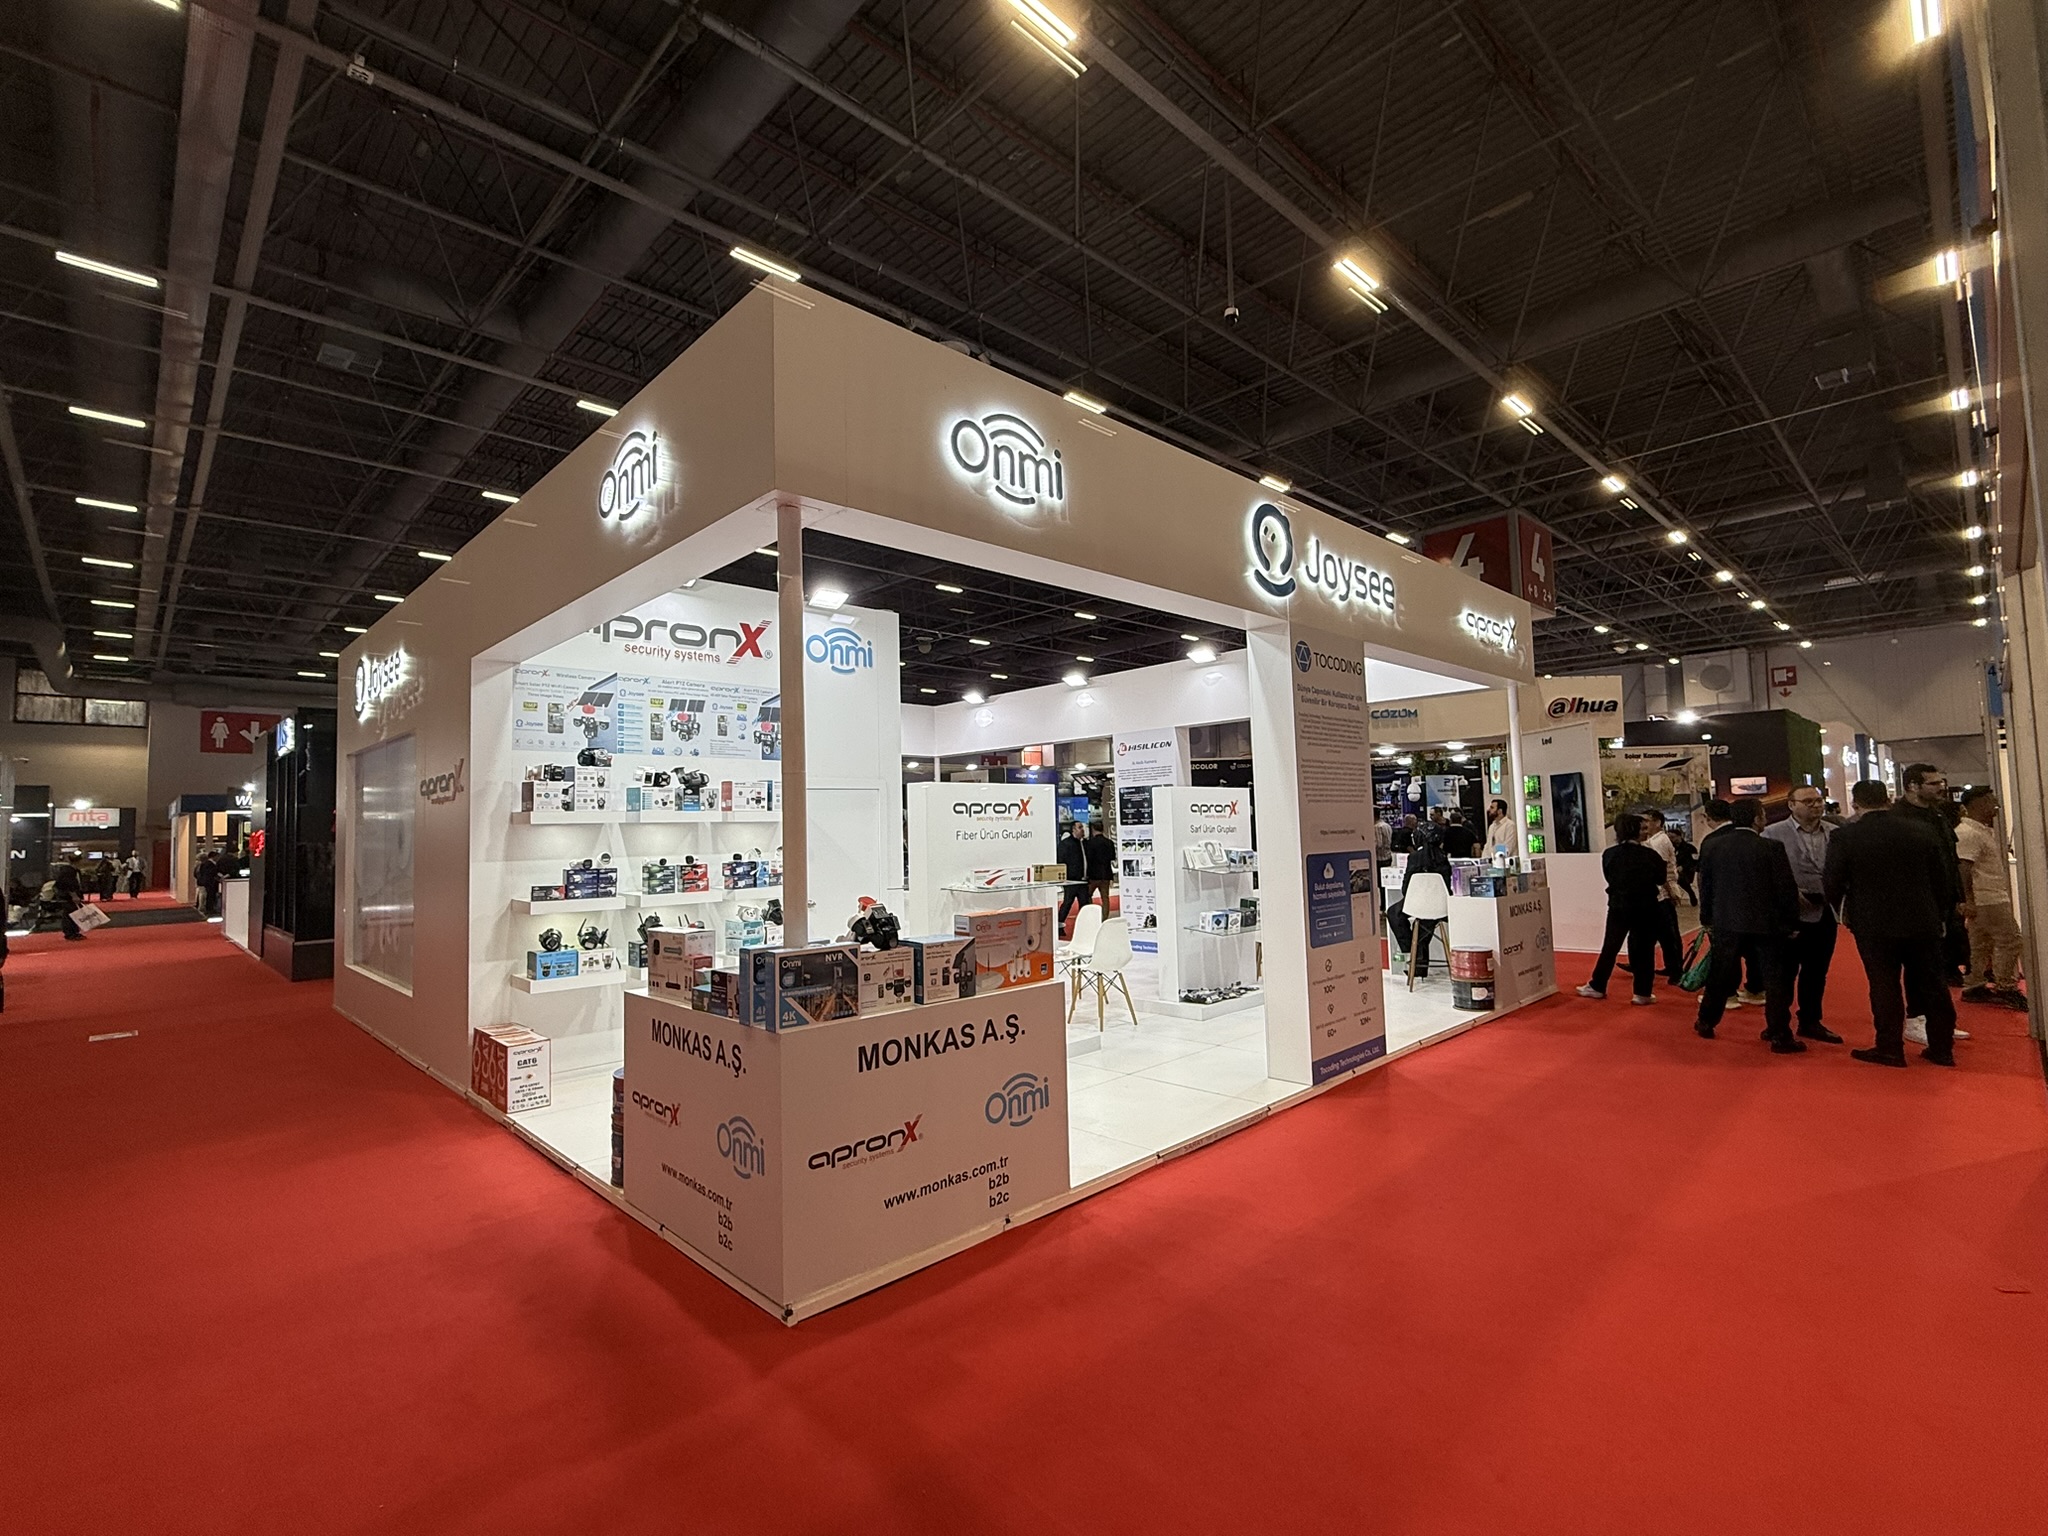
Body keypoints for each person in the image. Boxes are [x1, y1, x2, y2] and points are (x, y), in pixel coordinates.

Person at [1825, 779, 1960, 1067]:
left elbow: (1832, 881)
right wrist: (1939, 914)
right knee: (1933, 984)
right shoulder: (1922, 830)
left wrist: (1843, 911)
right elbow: (1942, 878)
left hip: (1873, 922)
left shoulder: (1845, 836)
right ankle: (1942, 1048)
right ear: (1887, 799)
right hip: (1922, 919)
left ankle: (1889, 1047)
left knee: (1884, 984)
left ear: (1856, 803)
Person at [1692, 798, 1801, 1049]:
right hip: (1767, 924)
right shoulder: (1771, 847)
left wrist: (1707, 918)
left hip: (1726, 921)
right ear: (1756, 818)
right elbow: (1785, 889)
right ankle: (1779, 1034)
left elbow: (1705, 886)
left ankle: (1706, 1021)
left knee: (1719, 975)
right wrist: (1791, 922)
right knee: (1775, 981)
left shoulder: (1713, 846)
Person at [1892, 763, 1972, 1042]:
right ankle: (1917, 1018)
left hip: (1943, 902)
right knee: (1918, 965)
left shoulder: (1937, 815)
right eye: (1933, 783)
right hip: (1915, 905)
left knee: (1938, 965)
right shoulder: (1898, 819)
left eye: (1941, 782)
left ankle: (1938, 1022)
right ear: (1913, 786)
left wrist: (1958, 897)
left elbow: (1950, 860)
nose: (1940, 788)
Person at [1761, 784, 1844, 1043]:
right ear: (1791, 805)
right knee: (1783, 975)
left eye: (1818, 801)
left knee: (1817, 972)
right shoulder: (1772, 833)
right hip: (1788, 915)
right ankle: (1777, 1026)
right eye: (1808, 802)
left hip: (1825, 913)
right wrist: (1789, 895)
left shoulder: (1835, 832)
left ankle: (1810, 1021)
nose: (1815, 806)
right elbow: (1765, 875)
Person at [1577, 812, 1669, 1004]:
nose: (1646, 832)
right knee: (1644, 949)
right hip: (1647, 906)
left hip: (1619, 905)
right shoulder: (1650, 855)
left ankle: (1597, 985)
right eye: (1642, 829)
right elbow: (1661, 879)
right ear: (1634, 831)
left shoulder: (1610, 854)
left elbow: (1609, 877)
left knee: (1610, 947)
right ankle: (1642, 993)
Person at [1955, 786, 2025, 1008]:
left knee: (1981, 944)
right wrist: (1968, 899)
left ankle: (1975, 985)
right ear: (1979, 803)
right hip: (1988, 898)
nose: (1996, 805)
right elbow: (1964, 868)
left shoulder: (1978, 831)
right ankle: (2006, 986)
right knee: (2010, 939)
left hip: (1985, 897)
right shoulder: (1969, 833)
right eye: (1992, 801)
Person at [1398, 821, 1454, 977]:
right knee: (1426, 922)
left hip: (1417, 903)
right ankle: (1418, 959)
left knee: (1395, 913)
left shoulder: (1414, 858)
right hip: (1442, 905)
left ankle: (1411, 951)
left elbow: (1405, 888)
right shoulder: (1443, 858)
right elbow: (1447, 886)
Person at [1637, 810, 1685, 984]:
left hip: (1663, 893)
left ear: (1657, 822)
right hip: (1658, 893)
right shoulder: (1652, 841)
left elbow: (1661, 870)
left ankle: (1676, 969)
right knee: (1664, 934)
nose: (1644, 825)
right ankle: (1671, 966)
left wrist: (1670, 893)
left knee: (1669, 934)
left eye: (1647, 821)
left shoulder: (1660, 842)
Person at [1055, 820, 1087, 930]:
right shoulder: (1066, 844)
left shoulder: (1084, 843)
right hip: (1071, 880)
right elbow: (1060, 860)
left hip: (1083, 880)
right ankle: (1059, 926)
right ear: (1073, 829)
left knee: (1085, 904)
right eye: (1080, 827)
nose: (1082, 830)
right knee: (1068, 903)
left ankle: (1084, 926)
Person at [1082, 823, 1116, 911]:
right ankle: (1104, 916)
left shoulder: (1090, 843)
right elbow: (1112, 857)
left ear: (1093, 829)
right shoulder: (1109, 842)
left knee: (1088, 895)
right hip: (1106, 874)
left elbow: (1088, 857)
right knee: (1105, 898)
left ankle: (1091, 912)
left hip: (1093, 875)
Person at [52, 858, 87, 941]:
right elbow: (69, 885)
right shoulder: (68, 872)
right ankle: (70, 933)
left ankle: (74, 932)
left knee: (73, 913)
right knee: (69, 915)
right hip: (67, 896)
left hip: (67, 895)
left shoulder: (71, 871)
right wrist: (74, 895)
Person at [1671, 826, 1699, 905]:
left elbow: (1694, 861)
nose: (1671, 839)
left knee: (1681, 879)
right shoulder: (1672, 848)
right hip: (1675, 869)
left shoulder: (1690, 848)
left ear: (1679, 836)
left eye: (1673, 837)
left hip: (1687, 870)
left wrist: (1683, 867)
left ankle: (1691, 894)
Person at [194, 849, 222, 917]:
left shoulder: (204, 864)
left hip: (205, 883)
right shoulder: (209, 864)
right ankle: (207, 909)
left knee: (204, 896)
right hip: (208, 883)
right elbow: (209, 874)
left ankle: (205, 908)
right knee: (207, 896)